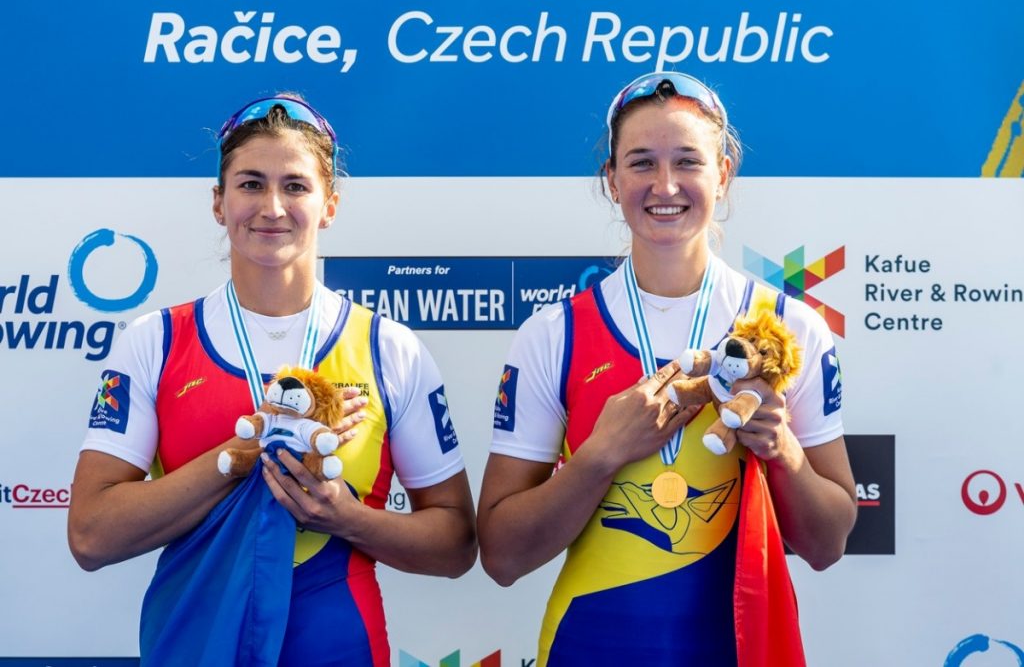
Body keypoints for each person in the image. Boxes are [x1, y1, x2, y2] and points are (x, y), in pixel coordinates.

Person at [68, 94, 477, 666]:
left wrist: (345, 517)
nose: (272, 207)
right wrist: (240, 454)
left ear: (329, 204)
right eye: (251, 184)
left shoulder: (389, 348)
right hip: (194, 641)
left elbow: (456, 544)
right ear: (219, 201)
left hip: (340, 647)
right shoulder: (155, 341)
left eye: (296, 186)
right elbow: (90, 537)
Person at [477, 72, 857, 666]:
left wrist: (782, 449)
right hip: (590, 646)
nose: (665, 185)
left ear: (724, 174)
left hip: (738, 649)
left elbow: (827, 543)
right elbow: (501, 556)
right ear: (611, 179)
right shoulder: (555, 336)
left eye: (688, 161)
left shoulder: (789, 328)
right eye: (641, 163)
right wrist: (600, 456)